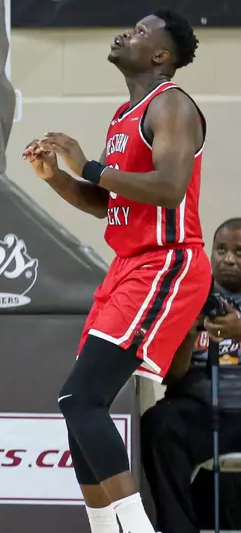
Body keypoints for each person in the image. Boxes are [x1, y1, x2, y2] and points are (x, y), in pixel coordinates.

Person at [24, 10, 213, 533]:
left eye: (140, 32)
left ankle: (135, 527)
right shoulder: (122, 116)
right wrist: (58, 179)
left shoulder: (171, 104)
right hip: (129, 265)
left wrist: (87, 165)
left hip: (166, 262)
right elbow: (114, 205)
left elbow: (169, 189)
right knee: (76, 405)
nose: (124, 33)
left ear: (160, 56)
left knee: (81, 399)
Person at [141, 217, 241, 533]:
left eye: (239, 251)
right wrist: (186, 330)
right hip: (197, 410)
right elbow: (171, 376)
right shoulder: (189, 295)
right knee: (158, 424)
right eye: (221, 249)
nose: (229, 258)